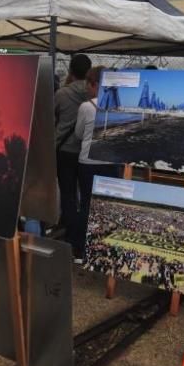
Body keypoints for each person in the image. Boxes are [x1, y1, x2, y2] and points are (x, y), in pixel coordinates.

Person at [72, 66, 122, 265]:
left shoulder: (86, 106)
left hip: (88, 162)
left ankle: (81, 250)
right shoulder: (118, 106)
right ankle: (107, 248)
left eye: (89, 84)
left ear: (94, 83)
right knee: (109, 206)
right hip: (111, 162)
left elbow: (78, 134)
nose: (87, 88)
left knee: (86, 205)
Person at [54, 54, 92, 241]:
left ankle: (70, 232)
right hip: (86, 151)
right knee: (84, 193)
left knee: (67, 193)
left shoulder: (61, 93)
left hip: (64, 150)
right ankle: (81, 231)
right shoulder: (92, 94)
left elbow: (53, 117)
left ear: (70, 70)